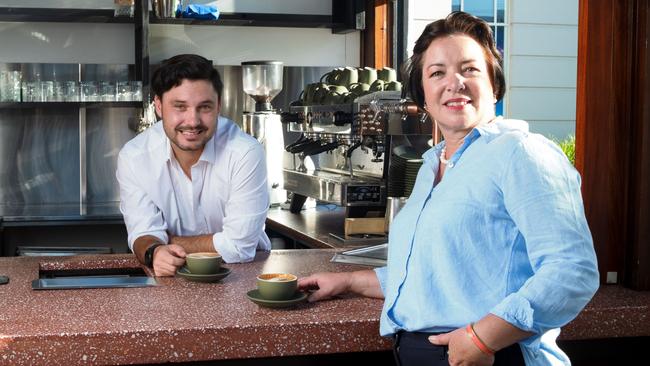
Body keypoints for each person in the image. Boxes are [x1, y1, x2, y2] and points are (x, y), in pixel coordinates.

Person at [298, 12, 599, 366]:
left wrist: (481, 339)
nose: (454, 82)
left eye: (469, 69)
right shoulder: (434, 165)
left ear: (495, 85)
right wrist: (348, 283)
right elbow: (437, 275)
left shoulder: (521, 152)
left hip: (491, 356)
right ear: (424, 97)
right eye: (437, 72)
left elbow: (572, 270)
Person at [116, 54, 271, 276]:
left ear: (218, 106)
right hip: (172, 279)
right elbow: (142, 234)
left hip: (241, 276)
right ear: (159, 106)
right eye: (180, 107)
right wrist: (155, 251)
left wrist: (166, 242)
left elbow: (239, 248)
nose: (193, 121)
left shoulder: (245, 152)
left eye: (204, 107)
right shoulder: (134, 157)